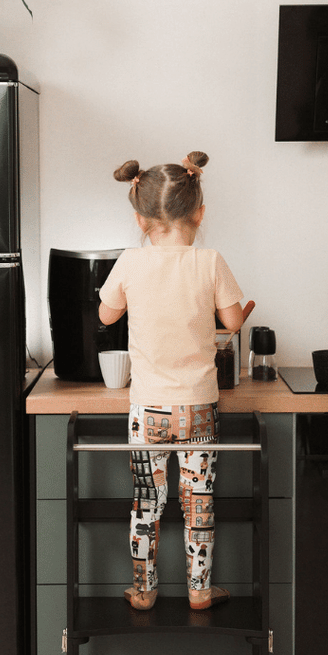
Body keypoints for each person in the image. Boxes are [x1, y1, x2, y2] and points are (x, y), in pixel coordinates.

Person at [98, 151, 254, 612]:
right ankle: (200, 590)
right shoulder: (211, 261)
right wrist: (232, 314)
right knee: (198, 502)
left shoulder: (130, 261)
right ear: (200, 213)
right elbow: (232, 322)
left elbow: (106, 315)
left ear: (140, 219)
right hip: (199, 408)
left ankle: (144, 591)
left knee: (146, 502)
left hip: (147, 409)